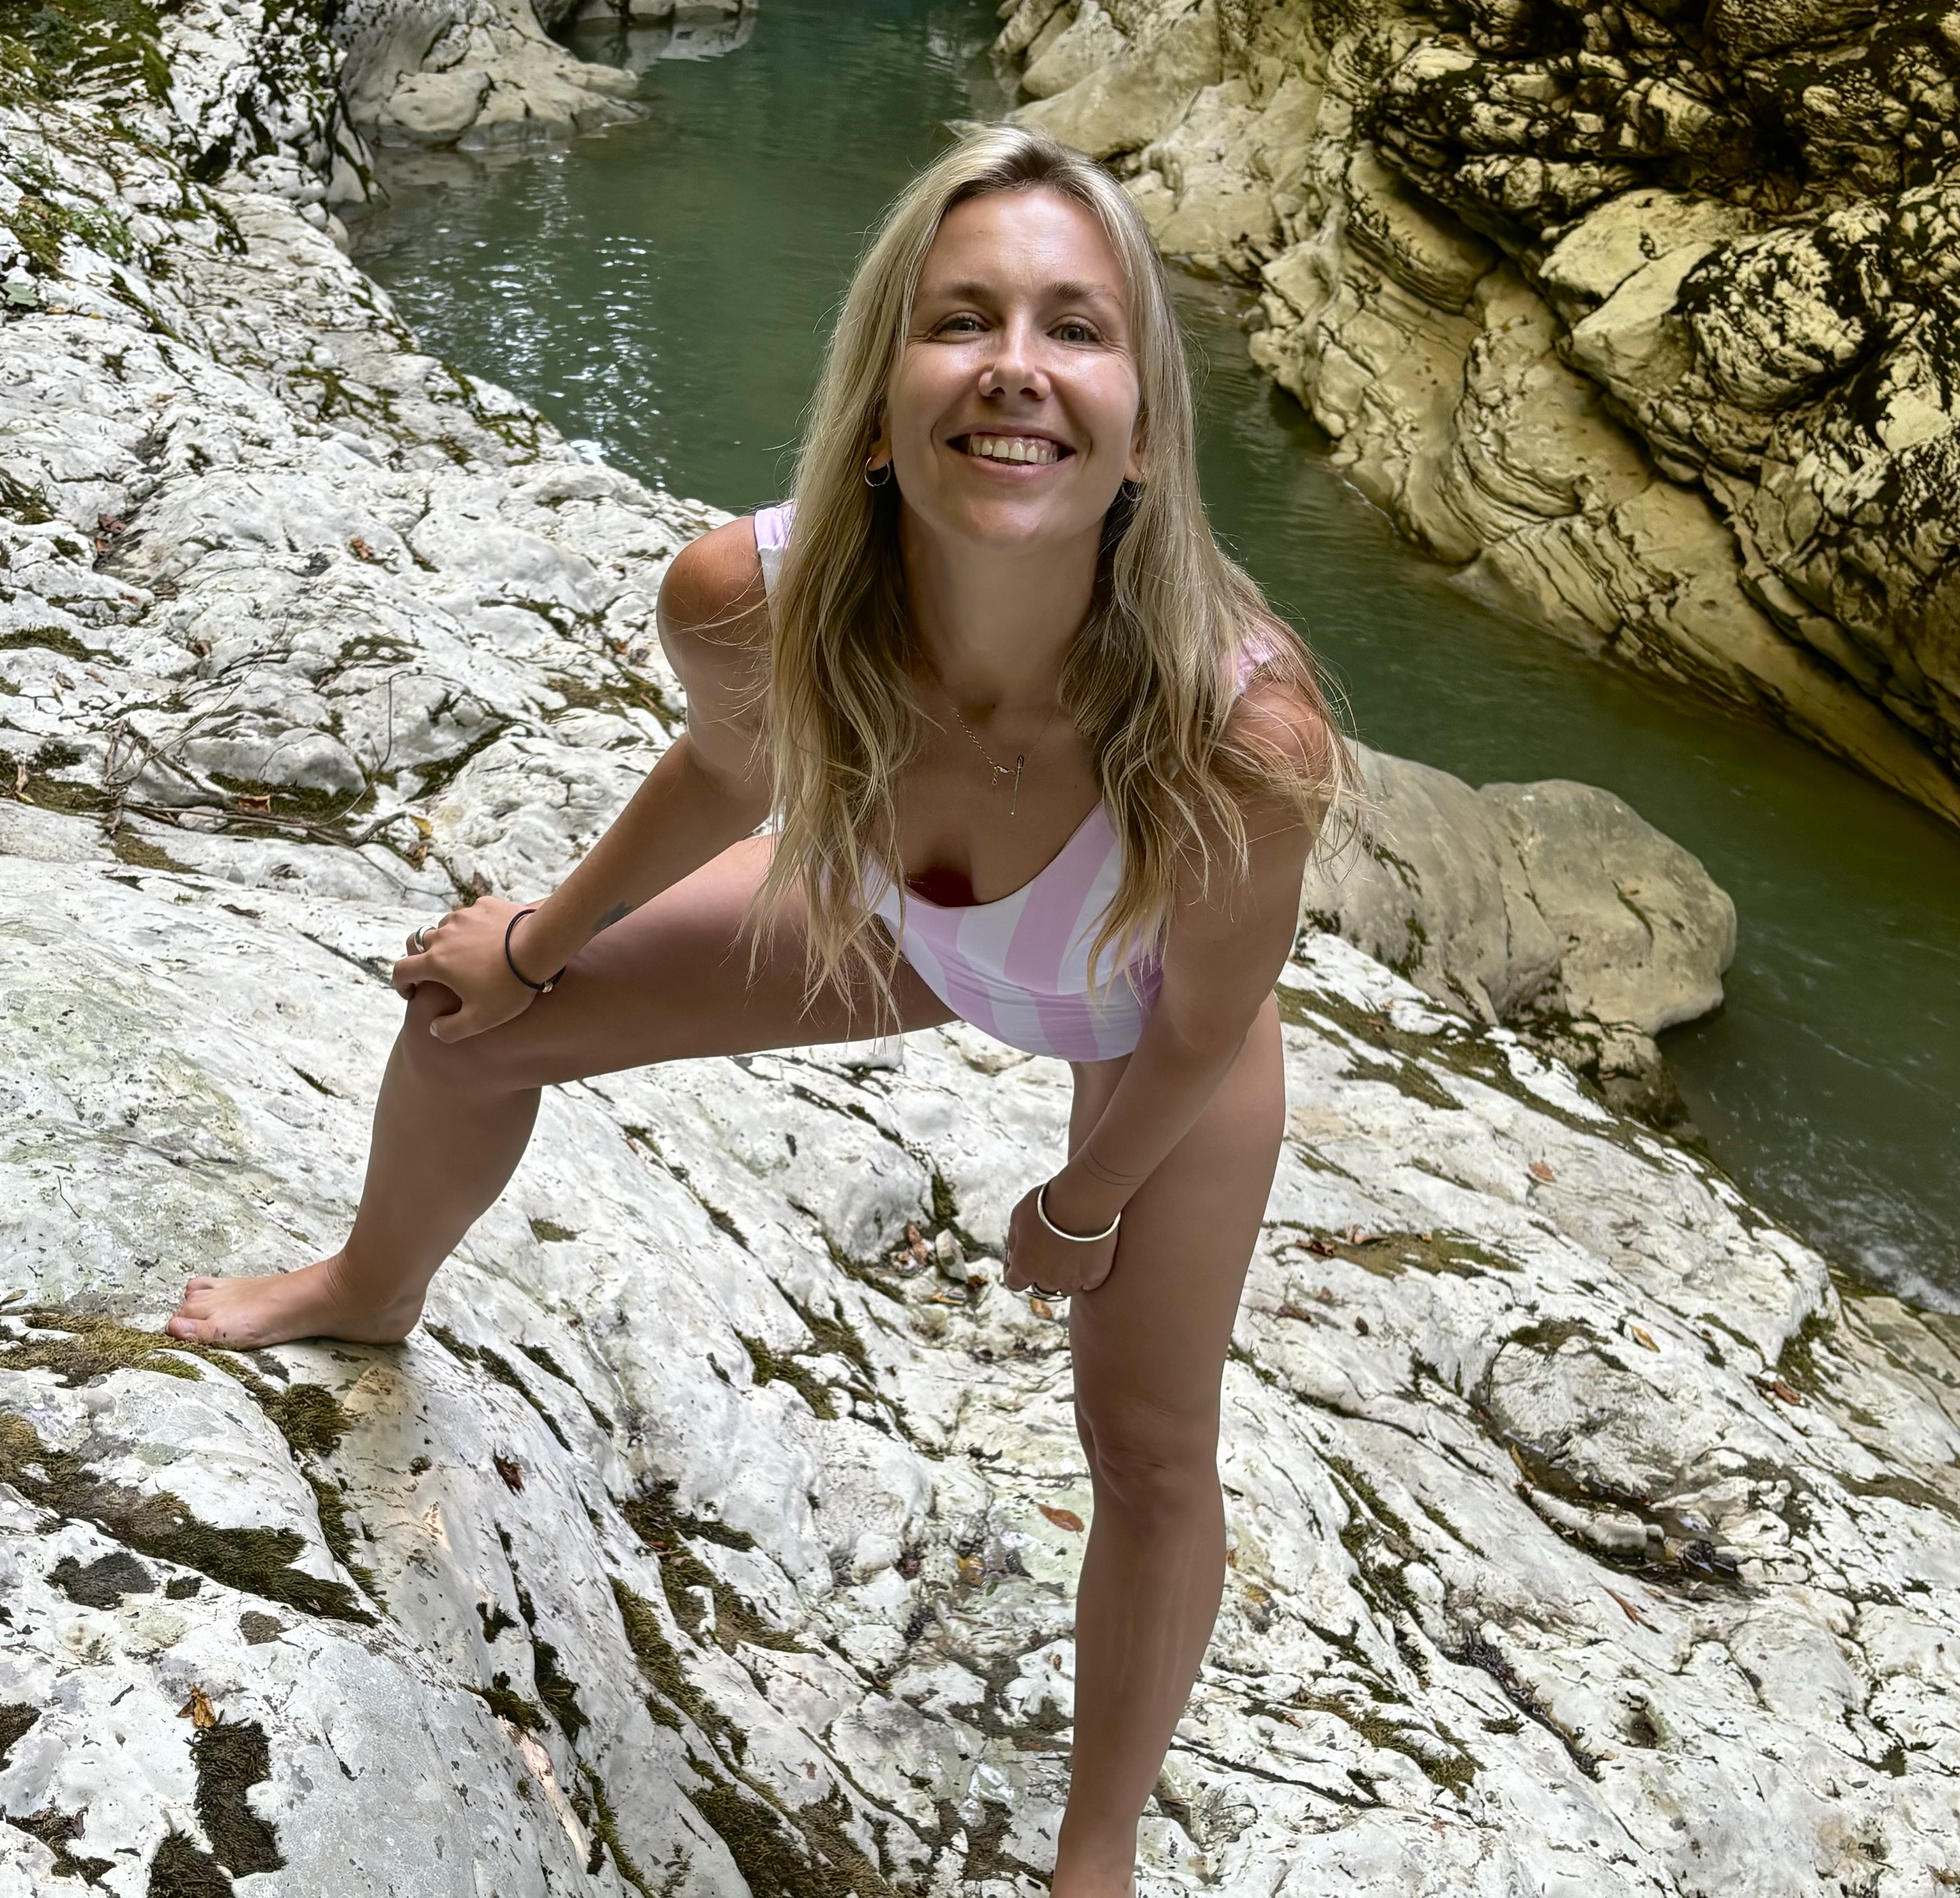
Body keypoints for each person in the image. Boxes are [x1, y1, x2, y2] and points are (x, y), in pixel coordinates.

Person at [168, 124, 1350, 1895]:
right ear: (876, 405)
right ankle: (366, 1286)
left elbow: (1201, 1024)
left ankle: (1094, 1855)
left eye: (1075, 328)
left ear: (1147, 433)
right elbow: (730, 776)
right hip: (895, 926)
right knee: (470, 1022)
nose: (1014, 366)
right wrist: (539, 938)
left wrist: (1083, 1200)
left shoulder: (1240, 732)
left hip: (1139, 1019)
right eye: (960, 320)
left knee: (1150, 1443)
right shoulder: (750, 594)